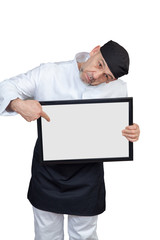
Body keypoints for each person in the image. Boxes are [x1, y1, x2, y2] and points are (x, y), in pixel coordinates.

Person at [0, 40, 140, 240]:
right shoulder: (49, 73)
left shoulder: (119, 90)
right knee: (46, 235)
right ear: (94, 51)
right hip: (47, 173)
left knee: (85, 236)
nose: (96, 76)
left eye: (106, 77)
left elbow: (115, 129)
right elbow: (6, 86)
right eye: (99, 65)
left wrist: (131, 131)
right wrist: (18, 104)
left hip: (88, 177)